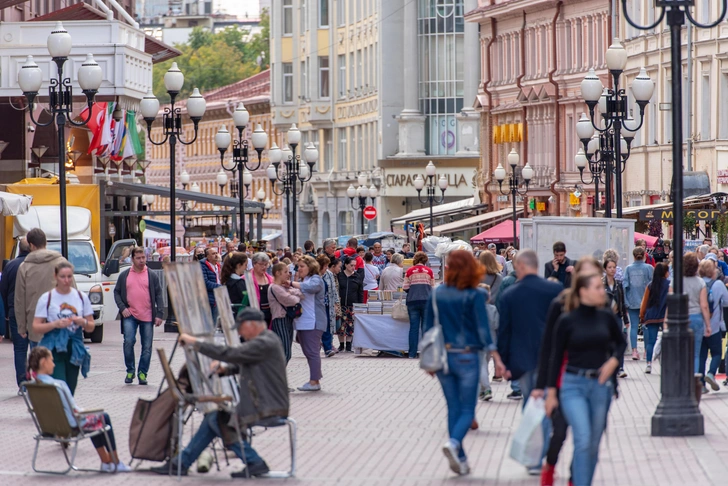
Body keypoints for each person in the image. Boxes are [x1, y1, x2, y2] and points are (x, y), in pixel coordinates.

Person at [153, 308, 286, 478]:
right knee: (214, 418)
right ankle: (180, 463)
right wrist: (224, 370)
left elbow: (230, 354)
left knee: (219, 420)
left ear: (251, 325)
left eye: (240, 328)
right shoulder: (265, 340)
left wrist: (195, 343)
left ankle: (254, 461)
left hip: (268, 405)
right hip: (262, 402)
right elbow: (243, 364)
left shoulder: (263, 343)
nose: (239, 333)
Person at [422, 250, 504, 476]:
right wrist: (496, 357)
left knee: (453, 408)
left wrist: (427, 360)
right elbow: (483, 329)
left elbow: (427, 327)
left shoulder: (437, 293)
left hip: (443, 359)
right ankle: (454, 443)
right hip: (468, 355)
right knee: (468, 408)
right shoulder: (476, 295)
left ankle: (461, 458)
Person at [544, 272, 626, 486]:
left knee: (593, 444)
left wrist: (614, 361)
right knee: (582, 438)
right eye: (597, 288)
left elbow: (620, 343)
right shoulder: (566, 320)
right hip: (573, 384)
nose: (603, 291)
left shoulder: (606, 317)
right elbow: (554, 355)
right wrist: (551, 392)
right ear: (583, 292)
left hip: (600, 386)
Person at [533, 257, 602, 486]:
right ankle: (550, 466)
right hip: (563, 378)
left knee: (586, 439)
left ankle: (576, 477)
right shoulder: (560, 304)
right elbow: (548, 347)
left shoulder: (602, 304)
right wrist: (541, 386)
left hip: (593, 381)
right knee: (560, 431)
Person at [498, 249, 562, 475]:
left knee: (530, 403)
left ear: (523, 266)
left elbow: (504, 332)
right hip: (551, 358)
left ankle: (534, 456)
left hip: (522, 360)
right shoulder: (556, 290)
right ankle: (539, 455)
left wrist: (503, 363)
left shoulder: (509, 295)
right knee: (544, 404)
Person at [28, 346, 131, 472]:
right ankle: (115, 461)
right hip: (70, 425)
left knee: (96, 420)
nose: (54, 365)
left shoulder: (31, 387)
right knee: (103, 417)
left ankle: (106, 462)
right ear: (44, 362)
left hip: (48, 427)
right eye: (51, 360)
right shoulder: (58, 385)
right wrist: (85, 411)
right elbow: (73, 409)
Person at [32, 261, 94, 395]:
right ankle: (58, 413)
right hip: (54, 346)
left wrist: (82, 321)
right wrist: (55, 324)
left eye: (69, 276)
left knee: (70, 388)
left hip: (74, 346)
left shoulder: (81, 297)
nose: (66, 280)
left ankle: (66, 413)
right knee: (60, 386)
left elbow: (91, 326)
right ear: (55, 276)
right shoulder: (47, 298)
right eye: (63, 276)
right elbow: (36, 326)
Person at [16, 229, 73, 359]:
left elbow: (20, 299)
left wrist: (21, 326)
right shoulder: (61, 262)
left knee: (39, 364)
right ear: (46, 242)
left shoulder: (24, 267)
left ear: (31, 245)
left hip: (35, 323)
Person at [114, 247, 165, 385]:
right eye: (138, 258)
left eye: (143, 257)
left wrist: (159, 314)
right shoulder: (125, 275)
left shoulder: (151, 275)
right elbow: (117, 292)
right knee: (128, 342)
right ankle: (130, 370)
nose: (142, 260)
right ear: (132, 259)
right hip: (130, 315)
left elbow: (159, 294)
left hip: (147, 316)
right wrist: (123, 308)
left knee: (147, 346)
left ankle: (142, 373)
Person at [289, 256, 326, 391]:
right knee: (309, 351)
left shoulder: (316, 279)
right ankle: (315, 378)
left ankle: (314, 381)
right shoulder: (304, 279)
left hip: (313, 322)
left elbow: (312, 288)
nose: (299, 269)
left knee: (312, 352)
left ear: (310, 267)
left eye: (302, 266)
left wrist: (292, 284)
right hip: (304, 322)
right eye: (298, 266)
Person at [1, 237, 30, 392]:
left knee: (19, 349)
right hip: (34, 312)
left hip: (15, 312)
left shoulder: (11, 266)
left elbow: (3, 290)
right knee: (37, 347)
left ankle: (22, 384)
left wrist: (7, 310)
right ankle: (37, 381)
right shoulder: (33, 265)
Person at [677, 252, 711, 374]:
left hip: (680, 318)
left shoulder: (677, 281)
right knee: (695, 353)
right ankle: (693, 381)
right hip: (696, 318)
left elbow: (670, 303)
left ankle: (682, 379)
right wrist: (708, 324)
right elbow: (704, 305)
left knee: (681, 352)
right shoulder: (700, 282)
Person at [698, 259, 727, 393]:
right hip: (714, 324)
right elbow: (726, 302)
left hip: (699, 324)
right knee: (716, 352)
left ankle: (701, 384)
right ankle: (711, 373)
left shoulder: (698, 283)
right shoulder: (718, 284)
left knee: (701, 355)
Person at [623, 246, 654, 360]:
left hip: (632, 301)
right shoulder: (649, 268)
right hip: (646, 302)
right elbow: (653, 285)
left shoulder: (628, 269)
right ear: (645, 255)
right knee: (646, 327)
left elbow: (625, 286)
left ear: (633, 256)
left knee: (634, 326)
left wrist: (625, 302)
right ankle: (646, 351)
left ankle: (635, 351)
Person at [403, 251, 435, 359]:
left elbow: (405, 287)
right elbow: (433, 288)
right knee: (426, 328)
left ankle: (412, 354)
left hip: (412, 302)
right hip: (426, 301)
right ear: (425, 260)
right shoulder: (430, 271)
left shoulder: (409, 271)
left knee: (413, 328)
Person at [639, 262, 670, 374]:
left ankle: (648, 364)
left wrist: (642, 316)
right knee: (667, 341)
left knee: (651, 342)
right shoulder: (669, 285)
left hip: (651, 316)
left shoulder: (650, 285)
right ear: (665, 273)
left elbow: (644, 302)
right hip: (665, 316)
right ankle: (666, 364)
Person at [268, 262, 302, 363]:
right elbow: (291, 300)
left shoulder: (285, 287)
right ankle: (276, 375)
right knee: (285, 352)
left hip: (288, 319)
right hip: (280, 319)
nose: (288, 274)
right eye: (285, 272)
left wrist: (291, 292)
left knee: (287, 352)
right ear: (278, 273)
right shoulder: (275, 287)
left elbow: (301, 294)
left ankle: (277, 375)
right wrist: (294, 295)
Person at [603, 258, 629, 378]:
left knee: (619, 341)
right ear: (605, 269)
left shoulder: (618, 283)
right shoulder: (601, 284)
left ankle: (620, 367)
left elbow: (622, 301)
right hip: (605, 317)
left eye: (614, 267)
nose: (612, 269)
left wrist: (626, 319)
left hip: (617, 316)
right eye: (610, 267)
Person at [337, 256, 364, 352]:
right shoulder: (340, 276)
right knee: (341, 325)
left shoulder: (357, 276)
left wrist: (360, 305)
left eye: (355, 266)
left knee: (350, 325)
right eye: (351, 265)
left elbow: (360, 292)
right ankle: (341, 345)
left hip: (352, 304)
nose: (353, 267)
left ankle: (348, 345)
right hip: (341, 304)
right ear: (345, 265)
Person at [317, 255, 340, 357]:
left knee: (328, 325)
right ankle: (316, 345)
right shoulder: (313, 275)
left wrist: (336, 303)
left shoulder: (329, 274)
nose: (327, 268)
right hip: (317, 305)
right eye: (325, 266)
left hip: (328, 304)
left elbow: (334, 290)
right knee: (317, 326)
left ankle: (327, 348)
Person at [249, 252, 274, 326]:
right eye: (261, 264)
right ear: (254, 264)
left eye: (266, 264)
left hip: (270, 314)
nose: (264, 267)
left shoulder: (271, 279)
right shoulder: (246, 279)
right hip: (254, 315)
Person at [221, 252, 249, 316]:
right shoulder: (239, 282)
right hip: (240, 315)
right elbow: (245, 300)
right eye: (245, 265)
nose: (246, 268)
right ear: (239, 265)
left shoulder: (227, 279)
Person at [200, 247, 222, 324]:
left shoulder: (218, 266)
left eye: (216, 253)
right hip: (208, 299)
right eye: (213, 254)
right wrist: (220, 287)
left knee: (215, 323)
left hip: (217, 298)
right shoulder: (202, 266)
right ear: (207, 257)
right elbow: (205, 282)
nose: (216, 255)